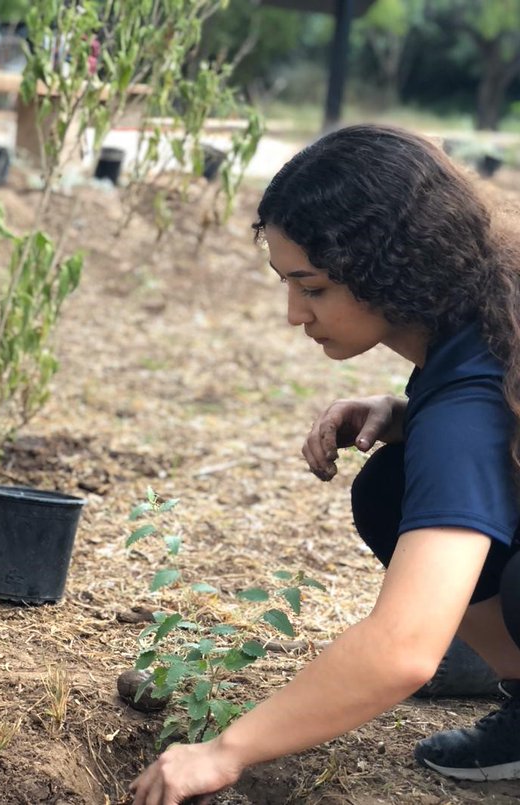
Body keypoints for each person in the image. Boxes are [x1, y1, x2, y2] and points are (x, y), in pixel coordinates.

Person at [132, 124, 520, 803]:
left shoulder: (472, 394)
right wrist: (408, 417)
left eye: (310, 287)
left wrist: (226, 750)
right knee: (391, 487)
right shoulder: (487, 313)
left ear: (389, 266)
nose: (293, 313)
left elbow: (404, 647)